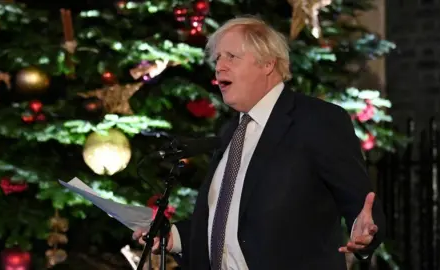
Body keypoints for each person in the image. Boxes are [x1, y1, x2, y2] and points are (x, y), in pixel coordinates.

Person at [133, 15, 385, 270]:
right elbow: (228, 224)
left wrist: (364, 232)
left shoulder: (317, 120)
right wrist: (171, 237)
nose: (220, 66)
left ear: (267, 63)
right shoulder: (230, 130)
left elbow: (362, 205)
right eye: (217, 58)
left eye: (231, 56)